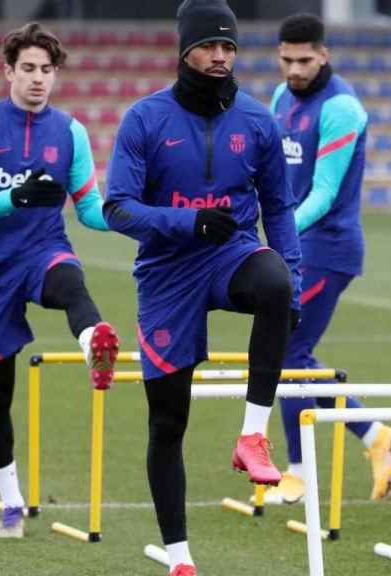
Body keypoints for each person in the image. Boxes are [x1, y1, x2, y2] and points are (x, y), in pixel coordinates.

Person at [102, 2, 301, 574]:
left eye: (230, 47)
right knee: (167, 421)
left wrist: (296, 284)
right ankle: (180, 557)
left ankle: (253, 437)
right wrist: (186, 221)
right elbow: (118, 208)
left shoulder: (259, 121)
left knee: (274, 284)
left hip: (231, 255)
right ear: (184, 51)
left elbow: (279, 208)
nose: (220, 57)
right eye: (210, 46)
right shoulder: (145, 118)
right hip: (167, 272)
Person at [0, 22, 120, 539]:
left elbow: (90, 209)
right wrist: (16, 196)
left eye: (47, 70)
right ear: (8, 71)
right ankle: (11, 502)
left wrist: (142, 218)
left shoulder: (70, 131)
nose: (38, 79)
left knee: (71, 282)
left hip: (43, 251)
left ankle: (96, 341)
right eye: (27, 68)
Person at [258, 13, 391, 506]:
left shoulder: (342, 107)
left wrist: (278, 233)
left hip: (329, 247)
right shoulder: (282, 99)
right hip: (296, 244)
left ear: (323, 54)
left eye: (305, 60)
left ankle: (300, 473)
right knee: (291, 358)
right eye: (287, 60)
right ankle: (376, 437)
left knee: (287, 355)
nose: (295, 69)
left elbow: (323, 191)